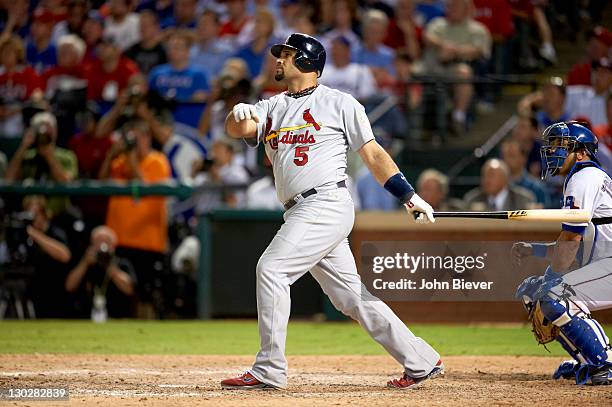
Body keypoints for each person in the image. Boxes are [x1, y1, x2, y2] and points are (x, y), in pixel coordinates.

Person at [220, 33, 443, 390]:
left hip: (325, 202)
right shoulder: (272, 105)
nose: (279, 60)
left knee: (272, 269)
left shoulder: (340, 103)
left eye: (288, 55)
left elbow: (372, 154)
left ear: (308, 61)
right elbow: (239, 129)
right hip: (298, 210)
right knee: (351, 297)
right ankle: (421, 361)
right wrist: (237, 113)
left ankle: (269, 369)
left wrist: (409, 195)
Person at [513, 121, 612, 385]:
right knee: (537, 293)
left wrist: (551, 279)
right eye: (552, 145)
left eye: (560, 145)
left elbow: (571, 238)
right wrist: (536, 251)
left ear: (581, 152)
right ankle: (589, 360)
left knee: (553, 297)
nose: (552, 151)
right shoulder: (583, 177)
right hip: (605, 265)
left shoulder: (583, 177)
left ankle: (606, 363)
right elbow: (574, 247)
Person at [420, 0, 491, 133]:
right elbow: (427, 37)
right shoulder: (438, 23)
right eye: (449, 5)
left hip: (457, 69)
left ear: (466, 9)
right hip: (431, 69)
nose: (451, 8)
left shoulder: (477, 29)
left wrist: (454, 51)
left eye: (455, 6)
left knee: (464, 73)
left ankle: (458, 117)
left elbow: (478, 50)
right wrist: (442, 45)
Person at [5, 112, 77, 215]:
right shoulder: (28, 156)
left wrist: (49, 156)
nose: (44, 132)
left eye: (49, 128)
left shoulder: (67, 157)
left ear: (55, 131)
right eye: (40, 128)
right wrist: (23, 147)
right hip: (28, 212)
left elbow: (67, 183)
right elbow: (9, 179)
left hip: (58, 213)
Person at [65, 226, 136, 319]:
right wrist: (84, 263)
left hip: (117, 318)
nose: (102, 246)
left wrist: (111, 267)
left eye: (106, 241)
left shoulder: (122, 263)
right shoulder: (85, 263)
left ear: (113, 245)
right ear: (91, 245)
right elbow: (69, 286)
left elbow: (130, 289)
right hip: (86, 318)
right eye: (98, 241)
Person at [22, 195, 73, 318]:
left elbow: (65, 255)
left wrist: (36, 235)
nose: (33, 218)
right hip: (33, 290)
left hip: (56, 293)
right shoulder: (23, 233)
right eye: (29, 214)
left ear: (44, 214)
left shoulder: (55, 231)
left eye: (36, 214)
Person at [0, 35, 41, 139]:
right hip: (2, 112)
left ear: (17, 54)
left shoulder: (27, 73)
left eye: (9, 52)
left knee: (11, 128)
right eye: (3, 52)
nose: (6, 56)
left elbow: (36, 96)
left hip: (20, 113)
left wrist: (16, 110)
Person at [463, 158, 536, 211]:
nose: (486, 180)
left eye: (491, 176)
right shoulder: (472, 200)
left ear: (505, 179)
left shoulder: (523, 199)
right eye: (484, 176)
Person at [319, 36, 377, 101]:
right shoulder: (323, 70)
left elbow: (368, 95)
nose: (337, 52)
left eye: (340, 49)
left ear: (348, 51)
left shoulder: (360, 70)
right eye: (334, 49)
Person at [500, 139, 549, 208]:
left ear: (523, 158)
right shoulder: (497, 186)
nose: (506, 159)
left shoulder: (536, 188)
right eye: (504, 156)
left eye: (511, 156)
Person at [564, 57, 612, 128]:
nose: (598, 76)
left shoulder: (610, 99)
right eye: (596, 71)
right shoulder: (575, 94)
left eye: (604, 72)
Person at [189, 10, 233, 81]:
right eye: (200, 23)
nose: (201, 27)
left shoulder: (226, 52)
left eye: (206, 23)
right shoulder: (191, 51)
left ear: (218, 27)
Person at [124, 10, 167, 75]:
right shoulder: (131, 51)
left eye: (146, 26)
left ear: (156, 27)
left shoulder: (164, 52)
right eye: (141, 26)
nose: (143, 29)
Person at [25, 8, 58, 73]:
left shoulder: (56, 52)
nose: (34, 27)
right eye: (33, 23)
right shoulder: (27, 49)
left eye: (38, 24)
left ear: (50, 28)